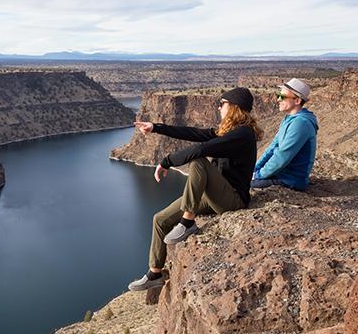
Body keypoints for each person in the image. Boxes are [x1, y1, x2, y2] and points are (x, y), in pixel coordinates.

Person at [128, 87, 263, 291]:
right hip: (214, 196)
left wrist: (167, 162)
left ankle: (187, 222)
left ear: (234, 107)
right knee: (160, 219)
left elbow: (201, 149)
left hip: (233, 200)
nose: (219, 107)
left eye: (222, 103)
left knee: (198, 161)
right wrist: (156, 127)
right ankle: (154, 273)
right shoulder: (229, 131)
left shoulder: (243, 134)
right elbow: (194, 133)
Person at [252, 78, 318, 191]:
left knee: (240, 185)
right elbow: (272, 147)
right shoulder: (289, 119)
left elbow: (282, 156)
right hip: (281, 174)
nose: (278, 99)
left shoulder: (301, 123)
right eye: (279, 95)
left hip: (290, 180)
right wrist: (255, 169)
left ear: (297, 101)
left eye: (283, 97)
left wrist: (257, 176)